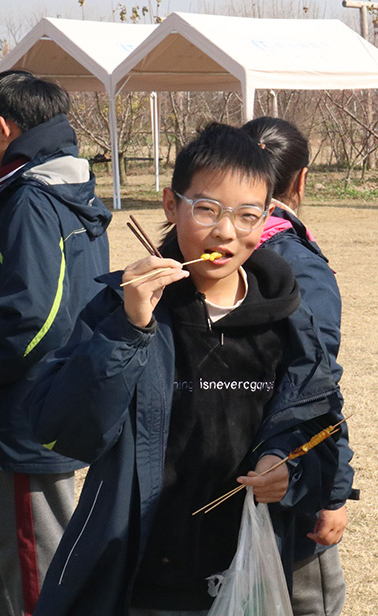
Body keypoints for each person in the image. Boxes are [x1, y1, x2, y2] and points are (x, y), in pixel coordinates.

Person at [25, 123, 342, 616]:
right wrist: (128, 329)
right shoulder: (122, 309)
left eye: (246, 215)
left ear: (267, 220)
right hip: (143, 574)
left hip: (252, 566)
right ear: (172, 206)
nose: (225, 231)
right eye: (208, 209)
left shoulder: (288, 320)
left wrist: (288, 467)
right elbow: (68, 432)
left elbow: (321, 425)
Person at [0, 71, 111, 616]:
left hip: (25, 412)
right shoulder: (70, 184)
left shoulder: (30, 199)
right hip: (56, 398)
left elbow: (35, 317)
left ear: (2, 127)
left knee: (33, 565)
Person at [241, 116, 354, 616]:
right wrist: (333, 490)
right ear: (301, 179)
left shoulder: (198, 249)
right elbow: (317, 379)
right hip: (288, 473)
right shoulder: (297, 261)